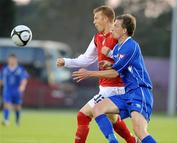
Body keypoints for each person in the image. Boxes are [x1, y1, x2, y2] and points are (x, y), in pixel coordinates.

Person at [72, 14, 157, 143]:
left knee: (140, 132)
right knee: (97, 109)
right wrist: (110, 63)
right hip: (127, 94)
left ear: (124, 30)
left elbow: (115, 73)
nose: (112, 29)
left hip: (140, 92)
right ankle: (113, 141)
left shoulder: (131, 46)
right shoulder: (117, 48)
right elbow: (121, 66)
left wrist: (89, 73)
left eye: (116, 26)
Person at [56, 6, 136, 143]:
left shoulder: (118, 36)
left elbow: (127, 59)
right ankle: (132, 141)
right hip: (106, 87)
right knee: (114, 119)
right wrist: (66, 61)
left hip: (115, 87)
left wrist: (110, 57)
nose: (94, 21)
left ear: (105, 19)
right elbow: (86, 58)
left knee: (82, 115)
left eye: (96, 18)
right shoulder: (98, 37)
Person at [0, 54, 28, 126]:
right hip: (7, 90)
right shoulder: (5, 69)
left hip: (17, 90)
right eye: (10, 59)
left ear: (16, 60)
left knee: (17, 106)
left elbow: (24, 79)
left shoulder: (20, 69)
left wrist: (22, 86)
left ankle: (17, 121)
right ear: (8, 60)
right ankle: (6, 120)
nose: (12, 61)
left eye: (13, 59)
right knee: (7, 104)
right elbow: (1, 80)